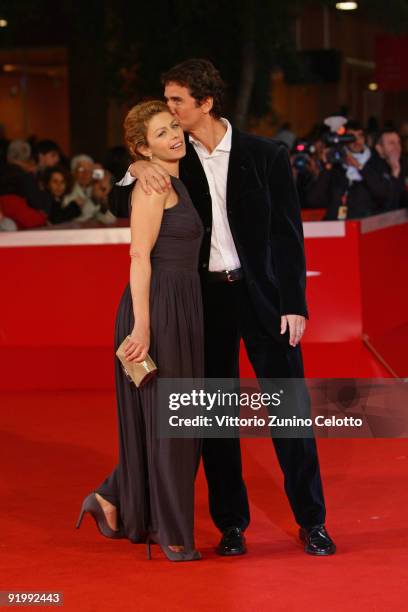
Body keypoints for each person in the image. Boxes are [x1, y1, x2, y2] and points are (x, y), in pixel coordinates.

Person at [111, 59, 336, 557]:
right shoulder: (173, 158)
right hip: (205, 301)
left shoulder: (266, 155)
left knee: (290, 412)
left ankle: (312, 521)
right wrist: (136, 165)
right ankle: (232, 525)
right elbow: (115, 200)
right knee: (216, 421)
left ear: (204, 103)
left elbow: (287, 235)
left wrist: (294, 302)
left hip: (264, 300)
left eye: (176, 102)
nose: (169, 110)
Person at [76, 100, 203, 562]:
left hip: (184, 308)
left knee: (186, 422)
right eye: (161, 132)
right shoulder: (151, 185)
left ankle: (111, 498)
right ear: (140, 147)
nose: (175, 135)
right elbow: (138, 257)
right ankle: (170, 532)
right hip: (157, 311)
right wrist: (143, 327)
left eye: (175, 126)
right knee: (174, 425)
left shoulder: (175, 179)